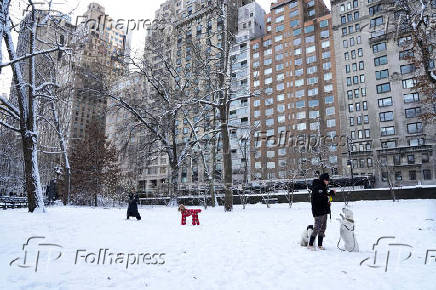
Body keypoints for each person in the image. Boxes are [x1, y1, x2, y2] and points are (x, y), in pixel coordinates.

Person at [308, 173, 335, 250]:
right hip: (318, 211)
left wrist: (331, 194)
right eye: (327, 180)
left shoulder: (323, 187)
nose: (328, 182)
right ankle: (310, 244)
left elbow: (325, 195)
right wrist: (327, 198)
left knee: (323, 228)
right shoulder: (318, 187)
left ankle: (320, 245)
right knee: (317, 227)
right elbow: (318, 199)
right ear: (324, 180)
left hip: (324, 211)